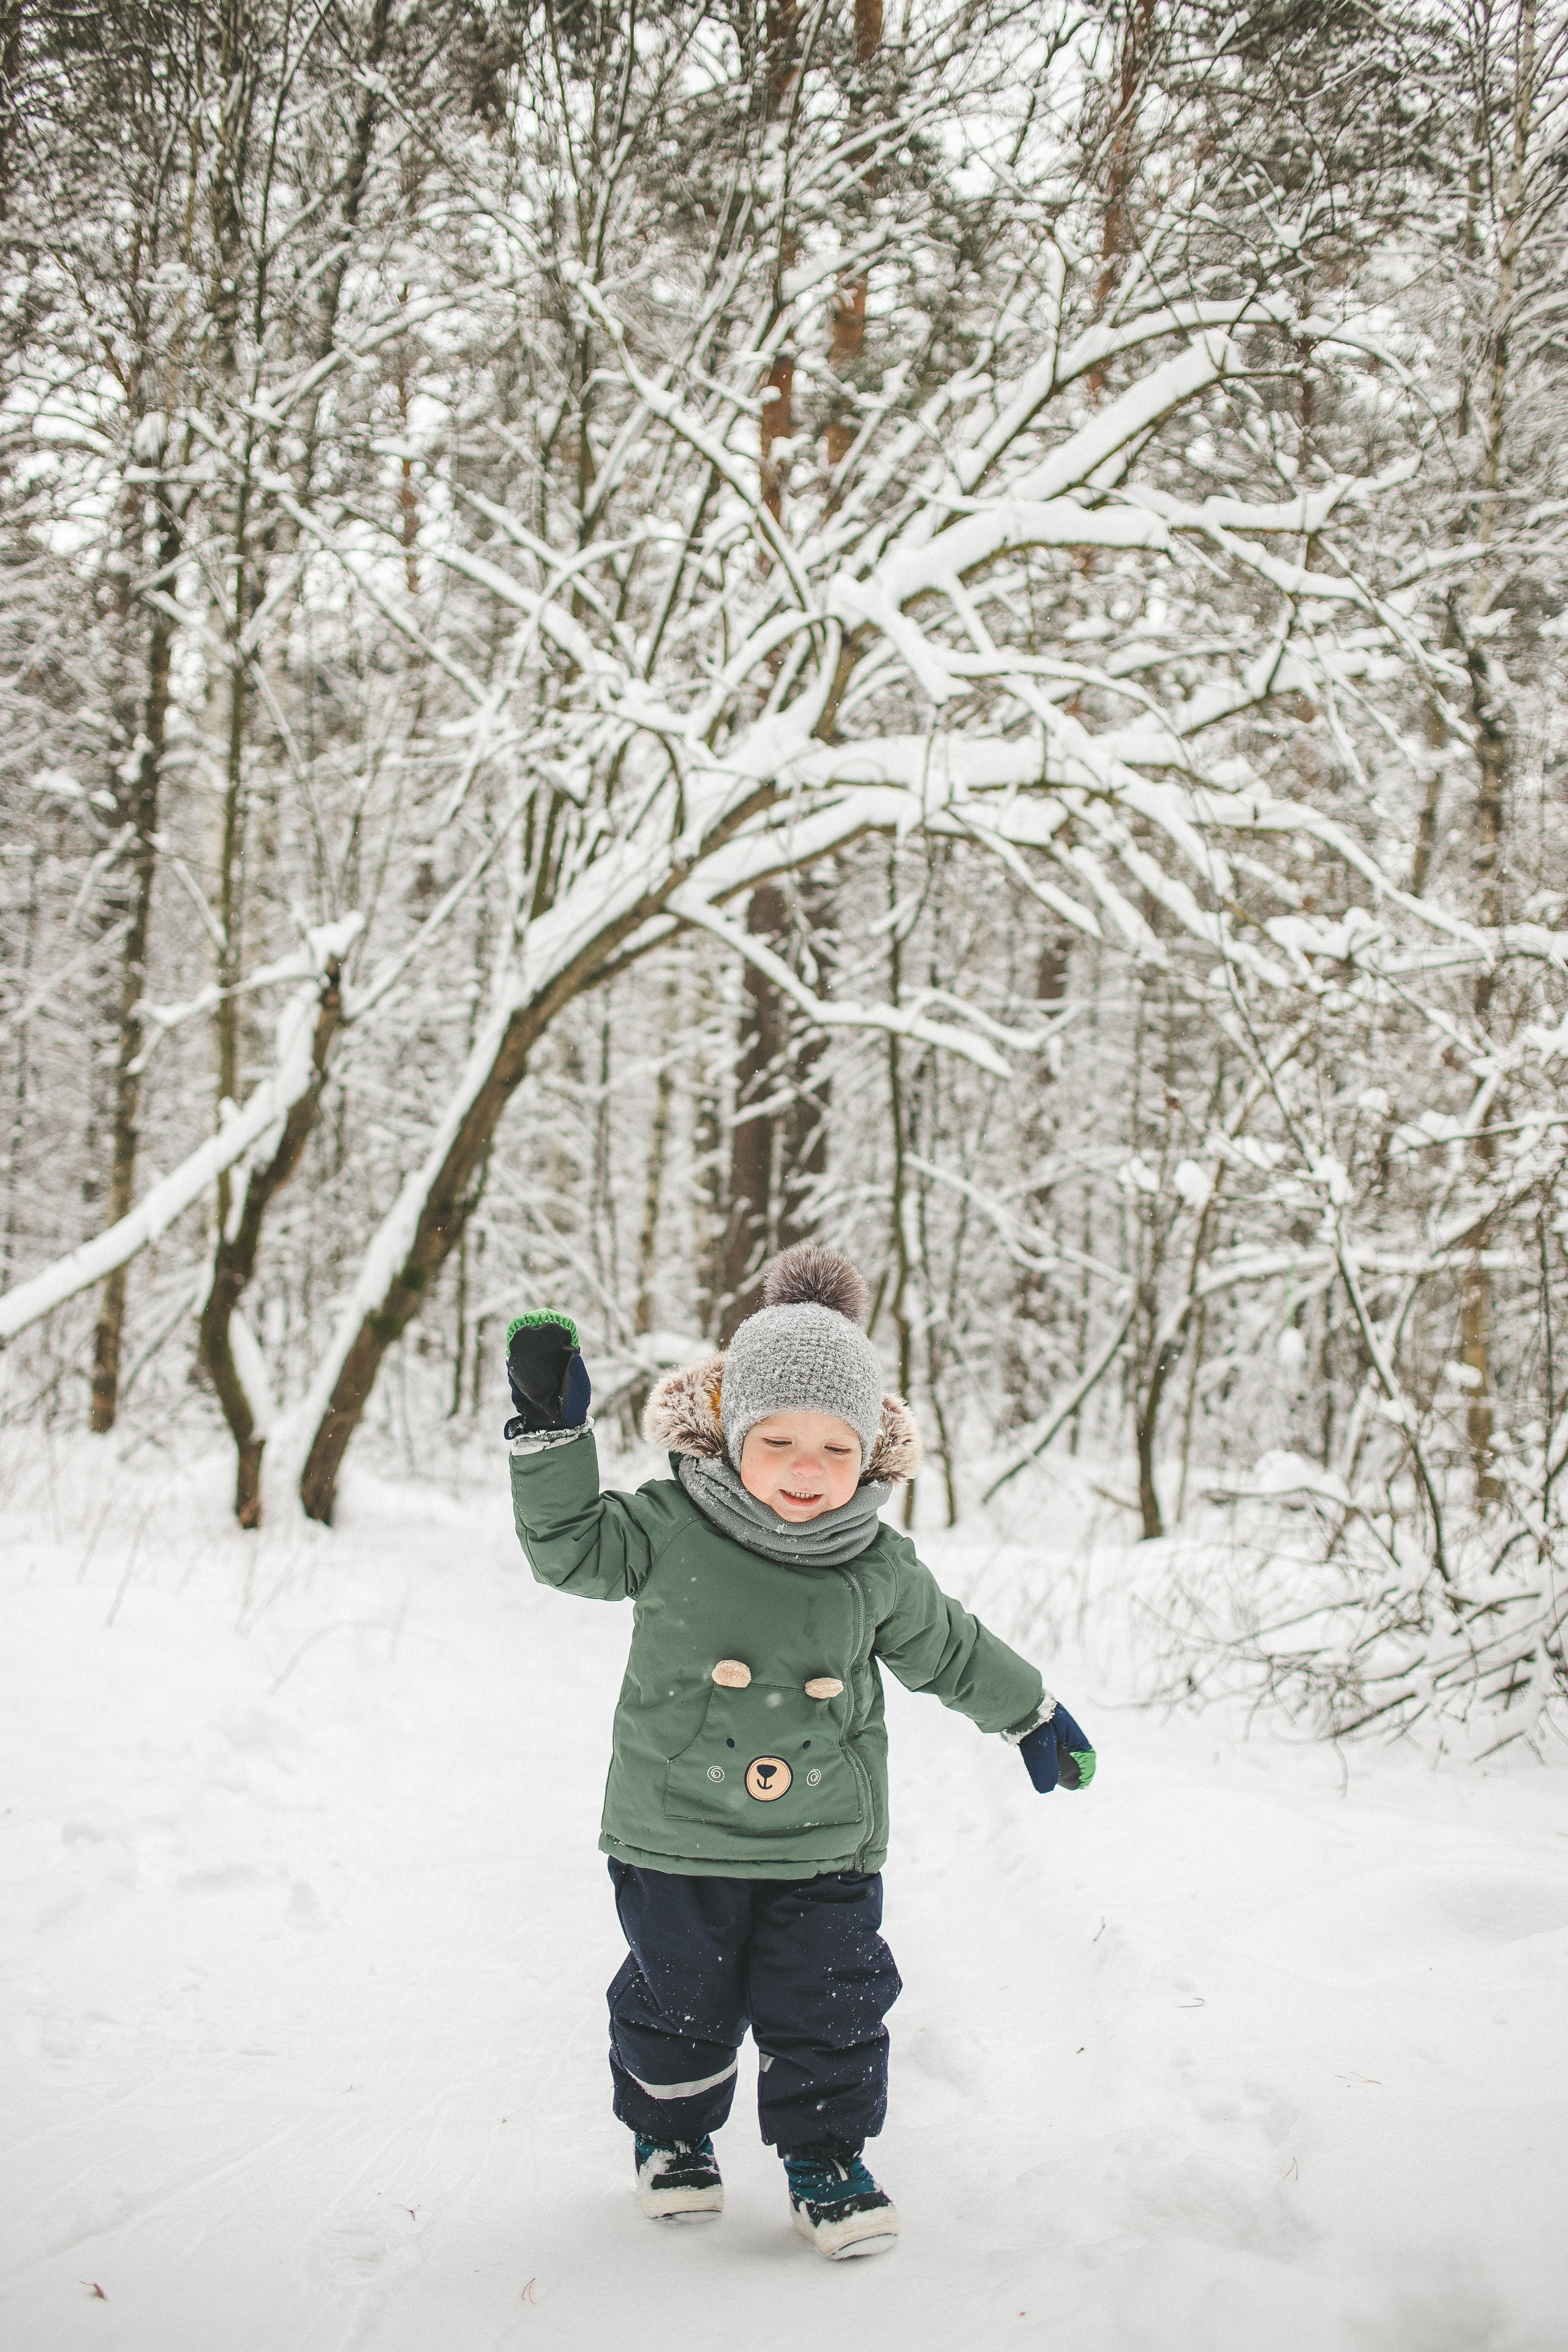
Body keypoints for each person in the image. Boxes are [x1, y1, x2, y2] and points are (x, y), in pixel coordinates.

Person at [503, 1242, 1095, 2262]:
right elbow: (570, 1551)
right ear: (732, 1434)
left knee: (831, 2007)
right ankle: (673, 2136)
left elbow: (950, 1650)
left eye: (834, 1448)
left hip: (823, 1842)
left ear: (869, 1452)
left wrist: (1030, 1712)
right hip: (676, 1835)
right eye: (778, 1442)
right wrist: (554, 1435)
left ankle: (826, 2160)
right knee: (678, 2002)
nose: (807, 1472)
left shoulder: (874, 1563)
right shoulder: (667, 1526)